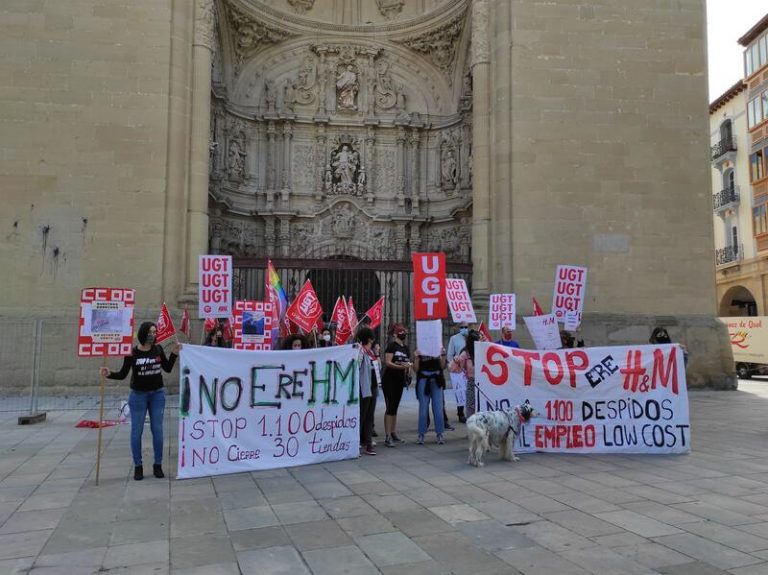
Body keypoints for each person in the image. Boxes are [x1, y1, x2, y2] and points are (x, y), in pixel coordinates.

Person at [99, 322, 179, 481]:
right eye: (150, 332)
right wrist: (109, 374)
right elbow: (123, 374)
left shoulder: (158, 349)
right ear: (143, 333)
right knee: (137, 432)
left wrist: (174, 354)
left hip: (157, 395)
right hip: (138, 396)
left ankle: (157, 465)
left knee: (158, 430)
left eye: (155, 332)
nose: (153, 335)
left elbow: (167, 368)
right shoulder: (132, 353)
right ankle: (138, 466)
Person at [381, 323, 412, 448]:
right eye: (401, 332)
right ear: (395, 334)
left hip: (400, 381)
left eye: (404, 332)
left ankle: (393, 432)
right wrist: (400, 367)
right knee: (390, 407)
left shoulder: (406, 348)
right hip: (389, 380)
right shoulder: (391, 346)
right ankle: (387, 435)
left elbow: (408, 363)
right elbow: (387, 362)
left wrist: (408, 370)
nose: (403, 334)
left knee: (395, 407)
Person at [415, 347, 447, 445]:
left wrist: (443, 355)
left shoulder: (438, 347)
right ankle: (421, 434)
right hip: (424, 379)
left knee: (438, 408)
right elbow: (416, 369)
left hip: (436, 379)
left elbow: (442, 366)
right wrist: (416, 357)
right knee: (423, 408)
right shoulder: (420, 348)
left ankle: (440, 433)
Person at [357, 327, 377, 455]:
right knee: (362, 415)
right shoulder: (360, 351)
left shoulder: (371, 352)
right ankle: (357, 440)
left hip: (373, 387)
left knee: (370, 416)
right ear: (369, 338)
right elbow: (357, 366)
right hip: (364, 387)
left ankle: (368, 442)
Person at [451, 330, 480, 417]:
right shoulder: (465, 354)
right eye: (476, 341)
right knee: (472, 411)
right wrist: (455, 361)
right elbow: (454, 369)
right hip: (472, 384)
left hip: (483, 384)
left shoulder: (482, 350)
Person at [447, 322, 468, 423]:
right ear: (458, 328)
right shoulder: (454, 338)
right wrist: (454, 364)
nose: (464, 328)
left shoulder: (471, 337)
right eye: (462, 327)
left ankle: (470, 411)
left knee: (469, 390)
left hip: (469, 367)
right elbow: (450, 355)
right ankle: (460, 413)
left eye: (466, 327)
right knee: (460, 391)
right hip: (458, 369)